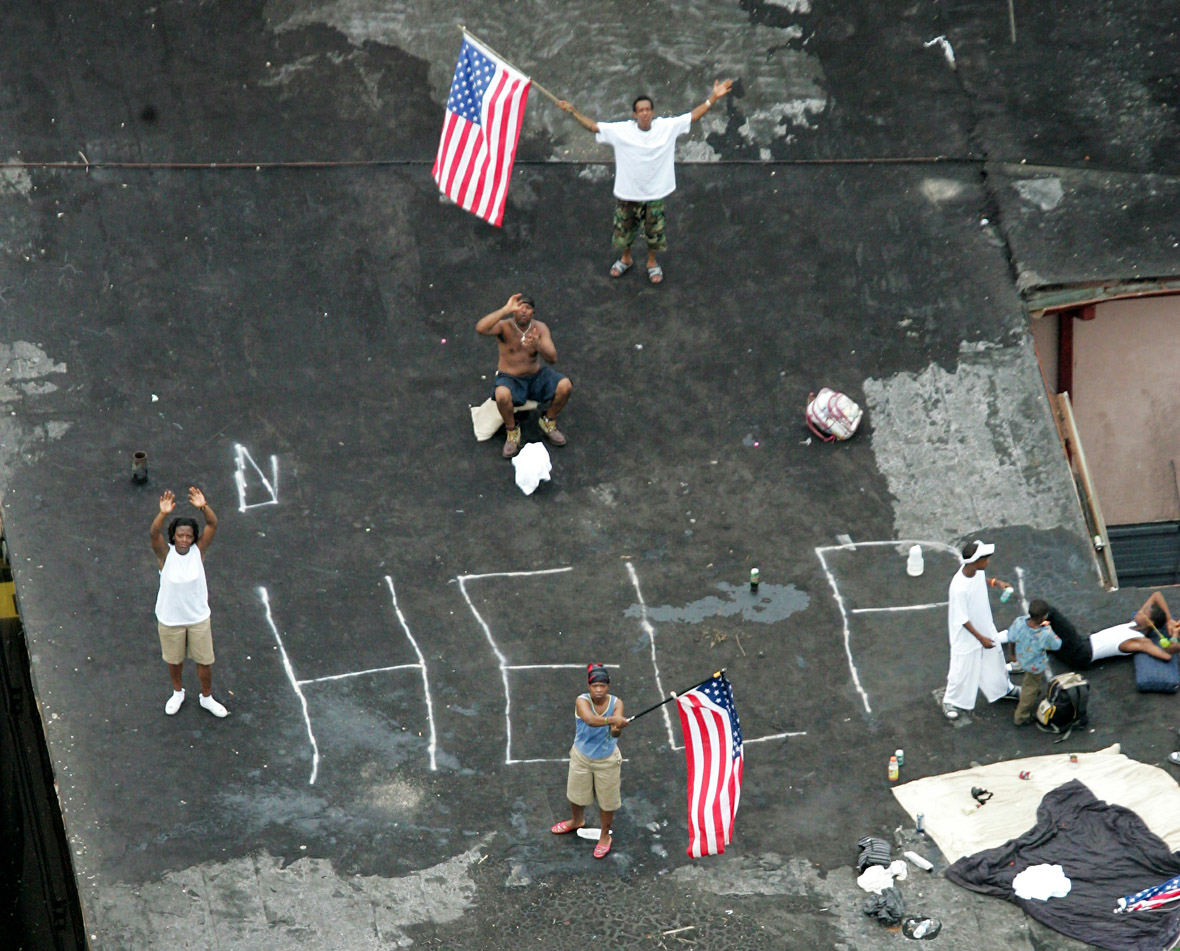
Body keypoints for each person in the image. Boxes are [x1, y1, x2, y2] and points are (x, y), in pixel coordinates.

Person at [556, 80, 734, 284]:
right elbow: (594, 127)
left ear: (653, 112)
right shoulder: (621, 130)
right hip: (628, 193)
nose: (644, 113)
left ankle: (651, 262)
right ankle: (626, 258)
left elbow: (693, 117)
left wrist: (713, 98)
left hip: (654, 193)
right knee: (624, 231)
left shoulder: (666, 127)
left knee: (654, 233)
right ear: (634, 115)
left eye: (648, 109)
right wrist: (572, 111)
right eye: (640, 110)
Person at [149, 487, 228, 717]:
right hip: (170, 619)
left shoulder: (198, 551)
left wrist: (203, 507)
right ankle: (177, 692)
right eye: (180, 535)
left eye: (189, 536)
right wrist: (162, 514)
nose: (184, 539)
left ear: (194, 538)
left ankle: (206, 697)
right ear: (173, 536)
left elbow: (212, 525)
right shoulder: (165, 554)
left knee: (204, 662)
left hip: (197, 618)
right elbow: (154, 534)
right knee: (174, 661)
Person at [476, 293, 572, 459]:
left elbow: (552, 358)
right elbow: (481, 328)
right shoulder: (504, 326)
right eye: (520, 307)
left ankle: (548, 420)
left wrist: (538, 345)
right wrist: (505, 309)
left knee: (565, 386)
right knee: (501, 394)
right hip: (510, 378)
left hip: (535, 376)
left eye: (528, 308)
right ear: (513, 310)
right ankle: (512, 431)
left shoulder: (540, 328)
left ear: (533, 313)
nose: (523, 311)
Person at [551, 663, 628, 858]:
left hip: (607, 759)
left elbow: (614, 733)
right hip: (581, 756)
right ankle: (576, 821)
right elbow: (590, 720)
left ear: (608, 686)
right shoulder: (581, 701)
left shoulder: (617, 703)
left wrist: (618, 726)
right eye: (595, 686)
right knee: (576, 795)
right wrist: (613, 720)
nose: (599, 690)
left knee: (607, 802)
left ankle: (605, 836)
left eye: (603, 685)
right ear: (589, 686)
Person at [942, 540, 1021, 720]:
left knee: (996, 661)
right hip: (967, 637)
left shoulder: (975, 571)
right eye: (986, 558)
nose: (989, 561)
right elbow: (962, 619)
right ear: (976, 561)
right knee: (961, 670)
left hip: (985, 628)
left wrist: (996, 582)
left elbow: (980, 580)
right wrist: (981, 638)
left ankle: (1004, 689)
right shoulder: (958, 588)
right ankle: (951, 700)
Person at [1045, 591, 1180, 669]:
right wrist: (1169, 619)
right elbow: (1157, 595)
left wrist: (1174, 635)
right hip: (1082, 642)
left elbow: (1167, 655)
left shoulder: (1140, 641)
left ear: (1150, 623)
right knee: (1045, 637)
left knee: (1051, 613)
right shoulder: (1135, 622)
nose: (1139, 612)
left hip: (1080, 653)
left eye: (1144, 613)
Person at [1008, 600, 1062, 725]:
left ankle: (1034, 690)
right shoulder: (1045, 633)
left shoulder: (1019, 622)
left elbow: (1011, 637)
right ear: (1044, 617)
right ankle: (1021, 717)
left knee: (1030, 681)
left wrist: (1012, 654)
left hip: (1022, 657)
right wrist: (1048, 628)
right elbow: (1056, 645)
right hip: (1035, 665)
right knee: (1030, 689)